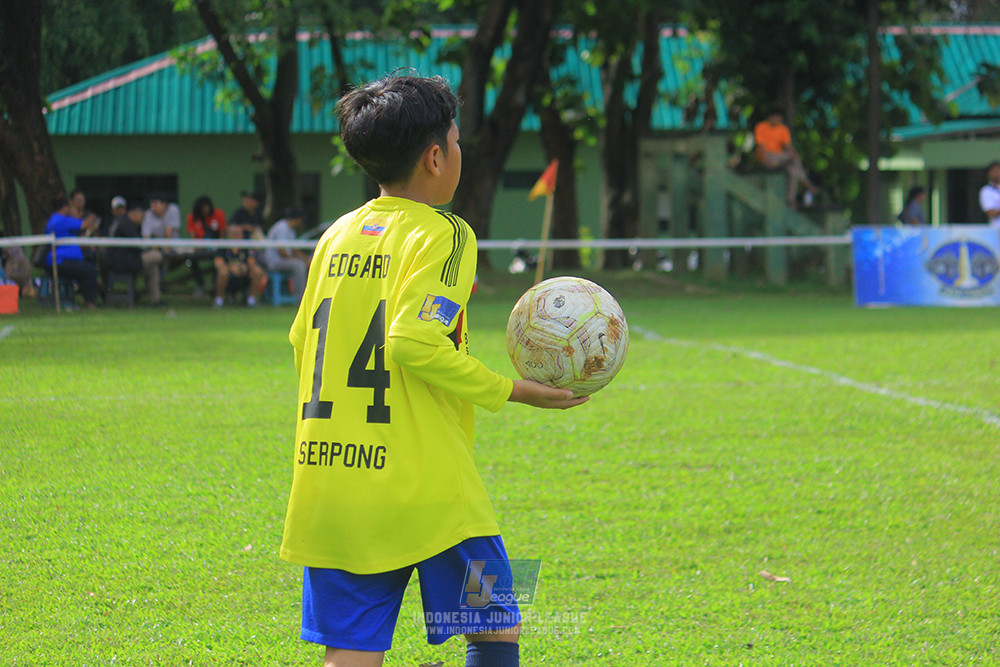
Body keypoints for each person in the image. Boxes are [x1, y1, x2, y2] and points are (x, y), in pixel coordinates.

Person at [280, 75, 588, 667]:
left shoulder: (334, 235)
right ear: (436, 157)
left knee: (351, 653)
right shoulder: (444, 234)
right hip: (430, 487)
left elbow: (302, 341)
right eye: (457, 140)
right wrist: (512, 390)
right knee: (495, 624)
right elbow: (414, 342)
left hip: (332, 479)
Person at [753, 107, 819, 208]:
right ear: (771, 117)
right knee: (791, 164)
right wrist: (766, 161)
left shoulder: (783, 129)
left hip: (780, 157)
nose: (779, 120)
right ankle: (806, 182)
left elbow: (788, 146)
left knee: (793, 169)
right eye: (777, 118)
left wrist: (794, 155)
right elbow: (761, 147)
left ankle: (790, 200)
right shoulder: (761, 127)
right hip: (767, 156)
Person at [44, 195, 99, 308]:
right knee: (89, 271)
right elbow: (85, 224)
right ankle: (90, 302)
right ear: (64, 208)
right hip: (60, 261)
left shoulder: (54, 220)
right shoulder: (61, 220)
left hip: (62, 260)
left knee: (85, 268)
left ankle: (89, 297)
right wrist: (93, 217)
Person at [141, 194, 180, 305]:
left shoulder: (173, 210)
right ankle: (154, 298)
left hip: (173, 248)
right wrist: (157, 248)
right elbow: (146, 237)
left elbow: (169, 232)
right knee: (154, 265)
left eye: (156, 205)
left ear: (164, 205)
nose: (153, 208)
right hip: (156, 250)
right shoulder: (148, 214)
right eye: (151, 205)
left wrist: (165, 249)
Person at [264, 207, 310, 301]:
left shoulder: (290, 229)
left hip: (284, 260)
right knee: (299, 265)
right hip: (275, 262)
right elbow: (282, 251)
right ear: (298, 219)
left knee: (305, 262)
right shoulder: (282, 228)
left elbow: (293, 249)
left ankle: (308, 295)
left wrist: (306, 259)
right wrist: (298, 259)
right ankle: (300, 298)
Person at [185, 195, 227, 298]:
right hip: (200, 249)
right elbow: (193, 238)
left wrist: (218, 247)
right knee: (190, 260)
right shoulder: (192, 217)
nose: (206, 210)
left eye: (207, 208)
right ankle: (201, 284)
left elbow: (222, 235)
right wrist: (199, 247)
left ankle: (215, 288)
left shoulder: (219, 214)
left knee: (220, 263)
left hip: (216, 249)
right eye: (203, 208)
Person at [214, 225, 264, 307]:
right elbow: (218, 263)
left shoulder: (246, 246)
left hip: (244, 274)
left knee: (257, 271)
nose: (237, 236)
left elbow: (251, 261)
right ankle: (219, 300)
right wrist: (231, 268)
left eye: (239, 234)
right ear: (229, 235)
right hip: (229, 275)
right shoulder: (222, 246)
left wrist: (244, 267)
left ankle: (252, 300)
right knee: (223, 272)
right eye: (234, 234)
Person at [104, 198, 143, 276]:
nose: (120, 211)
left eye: (122, 208)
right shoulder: (124, 222)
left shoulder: (118, 222)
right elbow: (138, 245)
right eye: (117, 209)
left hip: (115, 259)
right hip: (123, 261)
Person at [978, 161, 1000, 228]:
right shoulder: (986, 191)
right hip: (997, 230)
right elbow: (991, 213)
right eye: (993, 171)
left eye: (998, 170)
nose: (996, 173)